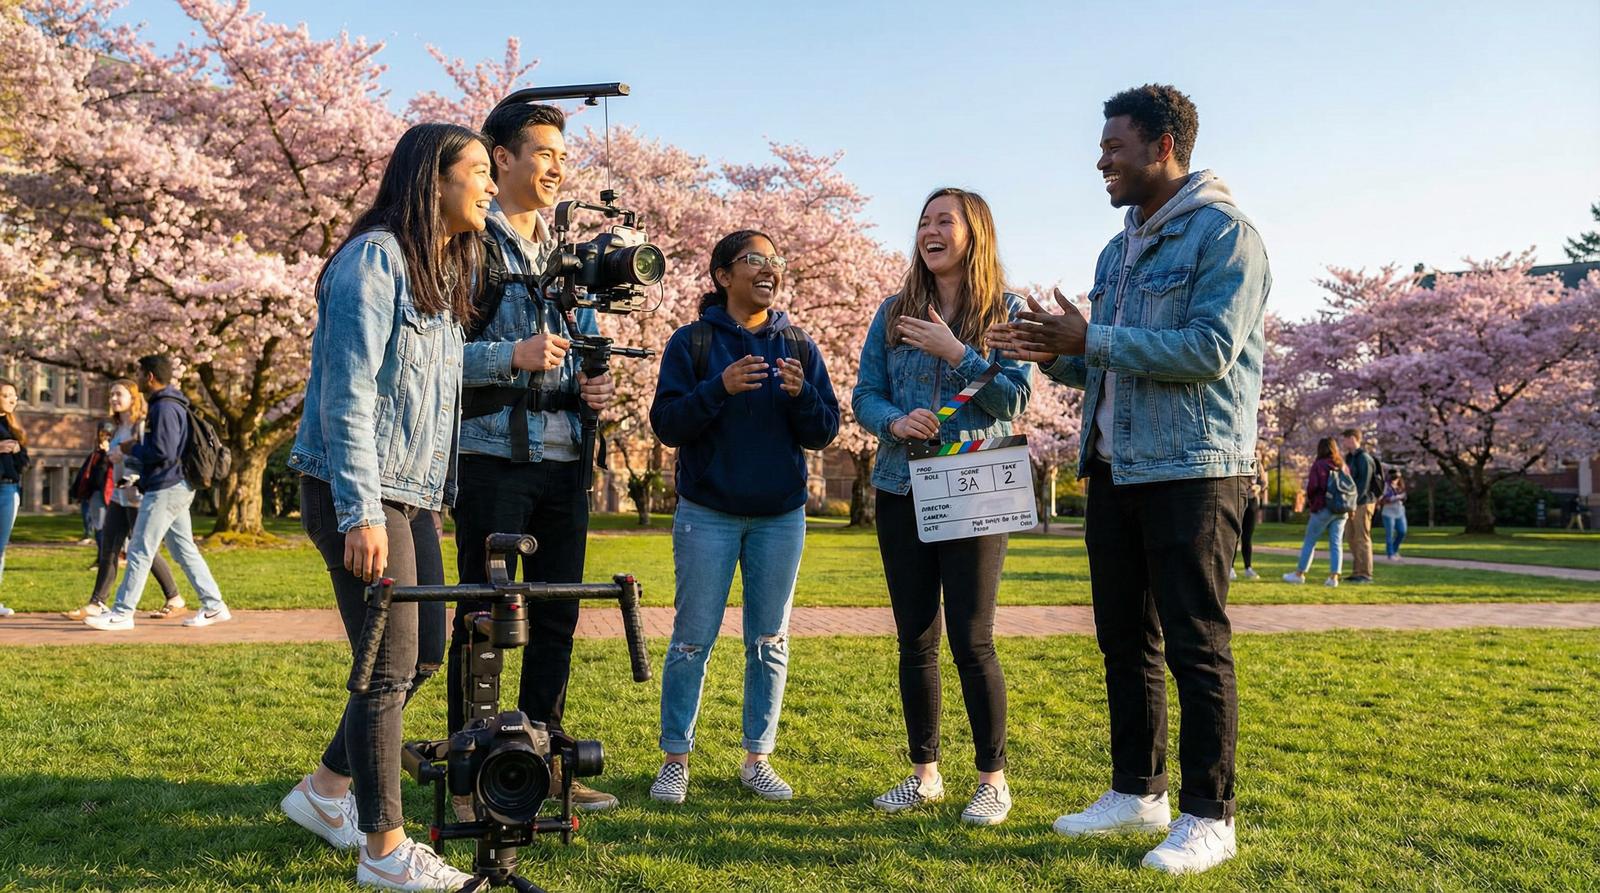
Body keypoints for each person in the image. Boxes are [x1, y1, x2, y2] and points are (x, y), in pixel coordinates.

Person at [988, 84, 1269, 873]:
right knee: (1124, 640)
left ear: (1164, 147)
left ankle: (1211, 814)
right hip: (1113, 469)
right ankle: (1137, 790)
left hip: (1194, 470)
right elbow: (1105, 363)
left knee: (1195, 644)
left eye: (1114, 147)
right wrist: (1055, 352)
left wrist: (1095, 336)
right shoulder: (1118, 249)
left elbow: (1207, 350)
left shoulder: (1226, 237)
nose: (1100, 159)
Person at [276, 122, 491, 891]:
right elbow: (349, 396)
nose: (491, 186)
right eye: (479, 171)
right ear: (433, 179)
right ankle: (384, 850)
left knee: (424, 652)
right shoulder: (372, 262)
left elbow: (443, 366)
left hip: (411, 494)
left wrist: (517, 357)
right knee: (388, 667)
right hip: (357, 488)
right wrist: (360, 511)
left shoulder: (428, 268)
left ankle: (325, 792)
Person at [446, 100, 619, 813]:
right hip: (491, 456)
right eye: (542, 152)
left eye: (561, 156)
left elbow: (585, 343)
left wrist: (595, 385)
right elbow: (429, 358)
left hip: (564, 460)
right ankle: (468, 773)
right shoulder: (466, 244)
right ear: (502, 157)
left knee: (556, 618)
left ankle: (547, 763)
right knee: (484, 616)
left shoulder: (568, 252)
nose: (555, 167)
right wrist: (507, 357)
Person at [853, 187, 1034, 826]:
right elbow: (864, 394)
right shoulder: (894, 311)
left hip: (977, 483)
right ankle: (924, 772)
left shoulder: (1005, 311)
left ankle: (992, 780)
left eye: (944, 221)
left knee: (972, 636)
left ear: (974, 232)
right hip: (902, 484)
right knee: (915, 637)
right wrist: (895, 421)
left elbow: (1012, 399)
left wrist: (955, 351)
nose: (930, 231)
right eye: (924, 221)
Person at [646, 230, 840, 805]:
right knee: (691, 639)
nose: (769, 268)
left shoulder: (799, 345)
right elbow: (667, 424)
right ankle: (675, 759)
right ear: (723, 275)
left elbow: (823, 429)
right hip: (707, 515)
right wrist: (719, 388)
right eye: (754, 259)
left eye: (776, 260)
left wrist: (803, 393)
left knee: (769, 640)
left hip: (780, 518)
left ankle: (758, 758)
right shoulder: (693, 342)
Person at [83, 356, 232, 631]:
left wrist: (131, 449)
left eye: (140, 373)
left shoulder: (163, 407)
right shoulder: (173, 403)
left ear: (150, 376)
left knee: (139, 547)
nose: (137, 378)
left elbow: (164, 451)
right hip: (176, 485)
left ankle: (122, 612)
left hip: (167, 487)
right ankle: (214, 606)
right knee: (183, 549)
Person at [64, 379, 185, 621]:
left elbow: (152, 456)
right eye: (111, 395)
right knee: (109, 547)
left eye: (118, 394)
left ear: (133, 397)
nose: (113, 399)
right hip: (119, 495)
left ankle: (174, 598)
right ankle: (97, 603)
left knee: (141, 549)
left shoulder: (141, 425)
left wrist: (129, 467)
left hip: (137, 496)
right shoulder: (118, 426)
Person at [1282, 437, 1350, 587]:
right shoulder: (1342, 465)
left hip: (1323, 508)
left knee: (1310, 541)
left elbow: (1313, 488)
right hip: (1341, 509)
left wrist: (1312, 504)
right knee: (1336, 543)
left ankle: (1299, 573)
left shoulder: (1319, 465)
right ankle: (1334, 578)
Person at [0, 378, 28, 617]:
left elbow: (23, 464)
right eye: (7, 395)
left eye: (14, 396)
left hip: (9, 491)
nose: (13, 400)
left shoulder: (13, 427)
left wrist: (18, 451)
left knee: (0, 548)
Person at [1339, 428, 1381, 583]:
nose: (1343, 443)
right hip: (1352, 503)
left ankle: (1365, 573)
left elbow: (1363, 484)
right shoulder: (1350, 457)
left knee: (1362, 538)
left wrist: (1354, 504)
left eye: (1344, 439)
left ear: (1352, 438)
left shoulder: (1364, 458)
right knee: (1351, 537)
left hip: (1363, 503)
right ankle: (1357, 571)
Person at [72, 425, 113, 547]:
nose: (104, 439)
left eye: (107, 436)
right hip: (97, 493)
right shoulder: (95, 456)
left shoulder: (114, 453)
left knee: (115, 528)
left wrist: (107, 453)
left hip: (112, 493)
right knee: (99, 527)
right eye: (102, 436)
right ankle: (101, 558)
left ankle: (119, 555)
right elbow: (88, 475)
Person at [1232, 452, 1269, 580]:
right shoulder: (1236, 458)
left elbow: (1263, 482)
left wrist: (1257, 487)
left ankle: (1248, 568)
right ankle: (1230, 568)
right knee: (1234, 535)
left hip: (1251, 502)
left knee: (1247, 537)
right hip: (1236, 500)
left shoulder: (1257, 462)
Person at [1380, 468, 1408, 560]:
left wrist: (1401, 497)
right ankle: (1390, 553)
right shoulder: (1386, 486)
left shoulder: (1400, 485)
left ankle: (1395, 550)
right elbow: (1382, 500)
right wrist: (1394, 498)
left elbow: (1404, 496)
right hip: (1388, 512)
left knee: (1402, 531)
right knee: (1390, 534)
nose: (1396, 479)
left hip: (1399, 511)